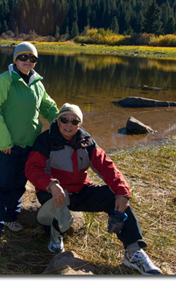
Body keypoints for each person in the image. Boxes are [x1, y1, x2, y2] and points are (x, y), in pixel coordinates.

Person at [25, 103, 163, 275]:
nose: (69, 125)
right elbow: (32, 169)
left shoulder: (86, 142)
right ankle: (55, 234)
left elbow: (107, 167)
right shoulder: (45, 140)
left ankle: (133, 252)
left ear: (80, 124)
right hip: (54, 192)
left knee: (115, 197)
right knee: (58, 211)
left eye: (74, 121)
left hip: (81, 191)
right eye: (65, 119)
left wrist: (122, 192)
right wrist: (52, 184)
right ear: (58, 121)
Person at [0, 41, 59, 249]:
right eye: (23, 57)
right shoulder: (4, 80)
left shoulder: (37, 84)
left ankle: (10, 217)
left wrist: (64, 123)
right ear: (15, 59)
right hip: (5, 146)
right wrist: (4, 140)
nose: (28, 61)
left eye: (32, 58)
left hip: (29, 146)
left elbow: (49, 108)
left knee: (18, 185)